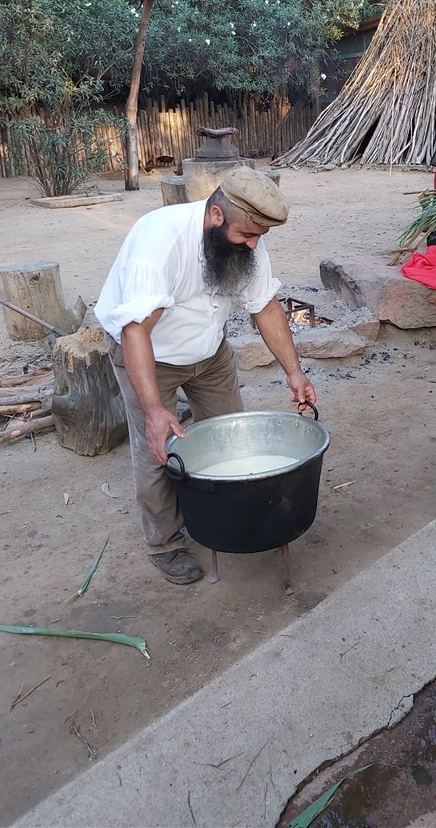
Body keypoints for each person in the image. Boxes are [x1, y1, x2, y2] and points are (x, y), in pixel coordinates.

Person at [95, 166, 317, 585]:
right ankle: (165, 543)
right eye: (247, 235)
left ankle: (227, 514)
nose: (253, 245)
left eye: (260, 237)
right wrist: (156, 410)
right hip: (149, 356)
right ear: (217, 215)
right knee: (157, 448)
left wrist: (294, 373)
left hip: (209, 352)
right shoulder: (160, 242)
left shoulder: (246, 240)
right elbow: (135, 331)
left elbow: (264, 306)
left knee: (230, 434)